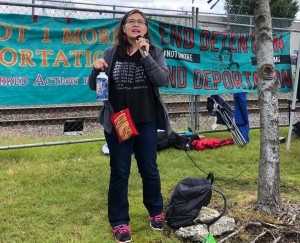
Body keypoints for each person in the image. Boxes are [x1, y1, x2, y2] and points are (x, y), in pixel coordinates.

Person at [88, 9, 172, 243]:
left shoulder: (154, 52)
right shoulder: (111, 53)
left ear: (146, 29)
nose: (136, 25)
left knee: (149, 169)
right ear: (123, 28)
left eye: (141, 22)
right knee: (120, 172)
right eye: (131, 21)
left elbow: (162, 80)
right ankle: (119, 222)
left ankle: (155, 211)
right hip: (119, 122)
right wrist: (95, 69)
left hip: (146, 121)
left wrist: (145, 55)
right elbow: (93, 86)